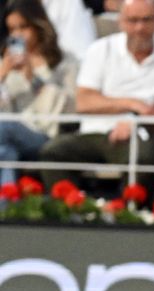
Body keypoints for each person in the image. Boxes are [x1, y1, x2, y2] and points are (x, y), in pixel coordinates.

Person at [38, 0, 154, 190]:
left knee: (143, 158)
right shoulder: (100, 50)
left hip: (143, 134)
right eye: (133, 20)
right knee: (52, 152)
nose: (140, 27)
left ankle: (128, 213)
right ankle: (72, 208)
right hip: (95, 132)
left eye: (147, 20)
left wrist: (138, 119)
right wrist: (132, 104)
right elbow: (84, 102)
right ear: (121, 21)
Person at [0, 0, 78, 186]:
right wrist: (2, 74)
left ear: (38, 25)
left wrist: (32, 78)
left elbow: (72, 107)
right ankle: (6, 208)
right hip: (9, 135)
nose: (18, 34)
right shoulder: (5, 61)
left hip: (47, 135)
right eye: (12, 29)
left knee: (5, 126)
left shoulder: (64, 61)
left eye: (24, 27)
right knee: (5, 153)